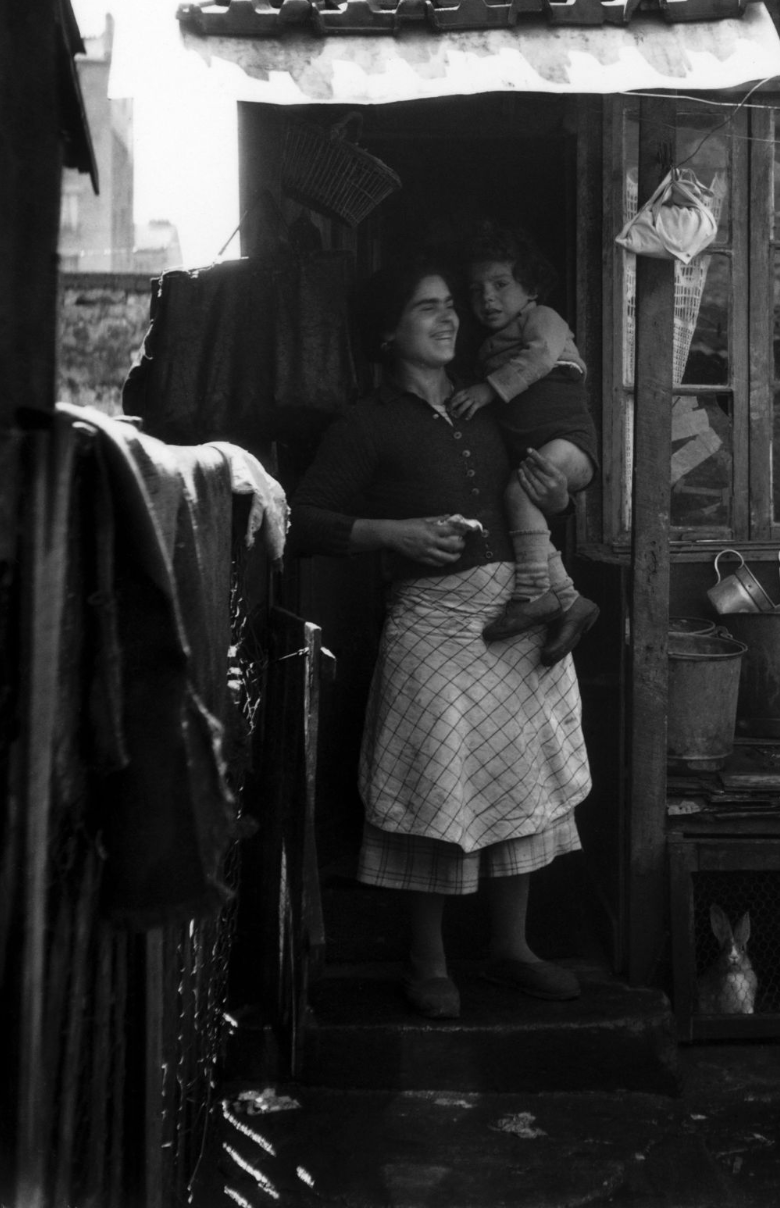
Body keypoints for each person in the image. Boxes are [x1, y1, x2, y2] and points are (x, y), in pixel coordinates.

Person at [290, 261, 591, 1020]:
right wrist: (389, 532)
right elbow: (298, 521)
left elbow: (551, 471)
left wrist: (560, 490)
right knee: (434, 783)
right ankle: (427, 962)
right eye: (428, 308)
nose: (450, 317)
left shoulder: (486, 406)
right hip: (432, 622)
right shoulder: (366, 424)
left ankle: (511, 947)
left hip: (518, 615)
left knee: (520, 777)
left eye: (451, 305)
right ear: (389, 331)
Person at [447, 225, 599, 648]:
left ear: (529, 286)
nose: (487, 298)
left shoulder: (542, 319)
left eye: (500, 284)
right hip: (539, 448)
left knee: (518, 492)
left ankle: (532, 595)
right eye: (476, 291)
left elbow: (539, 358)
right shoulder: (489, 346)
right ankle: (569, 601)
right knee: (520, 497)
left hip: (570, 442)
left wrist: (487, 389)